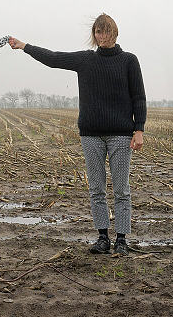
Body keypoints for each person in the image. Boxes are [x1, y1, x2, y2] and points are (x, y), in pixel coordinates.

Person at [8, 13, 146, 256]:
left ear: (115, 32)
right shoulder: (85, 60)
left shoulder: (129, 61)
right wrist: (24, 46)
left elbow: (139, 97)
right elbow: (53, 58)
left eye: (106, 31)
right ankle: (103, 237)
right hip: (90, 135)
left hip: (121, 136)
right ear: (94, 35)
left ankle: (121, 239)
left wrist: (139, 130)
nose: (102, 36)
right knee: (96, 189)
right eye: (98, 32)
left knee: (122, 190)